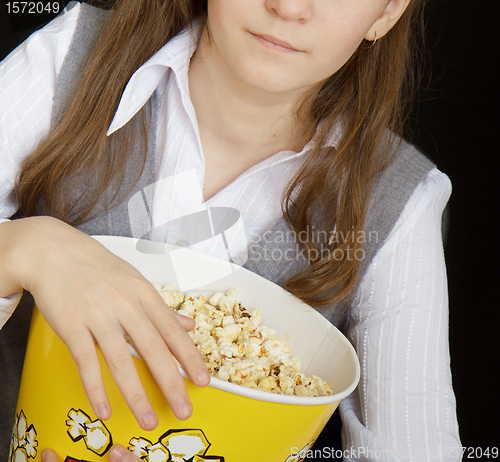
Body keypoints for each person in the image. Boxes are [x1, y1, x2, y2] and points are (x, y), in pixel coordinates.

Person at [0, 0, 461, 460]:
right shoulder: (72, 60)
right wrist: (24, 246)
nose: (288, 7)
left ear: (386, 12)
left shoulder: (398, 203)